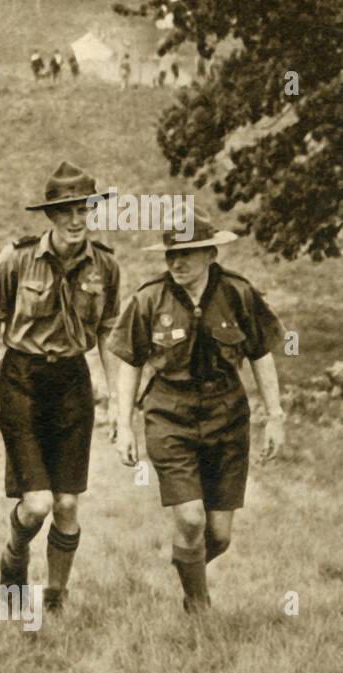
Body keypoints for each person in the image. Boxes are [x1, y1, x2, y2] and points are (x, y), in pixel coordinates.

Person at [107, 210, 284, 612]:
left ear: (210, 253)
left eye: (187, 253)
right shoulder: (150, 298)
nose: (177, 262)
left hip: (228, 417)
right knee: (190, 520)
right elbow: (130, 363)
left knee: (218, 535)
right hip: (170, 416)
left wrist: (276, 417)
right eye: (171, 254)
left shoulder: (237, 293)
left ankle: (186, 565)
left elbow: (262, 355)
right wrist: (124, 424)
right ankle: (198, 606)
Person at [0, 162, 122, 611]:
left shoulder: (106, 266)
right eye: (65, 211)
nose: (76, 220)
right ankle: (14, 555)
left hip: (72, 384)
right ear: (50, 216)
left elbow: (108, 334)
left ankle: (55, 596)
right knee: (36, 504)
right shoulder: (17, 258)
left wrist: (117, 399)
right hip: (22, 381)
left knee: (67, 505)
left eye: (83, 209)